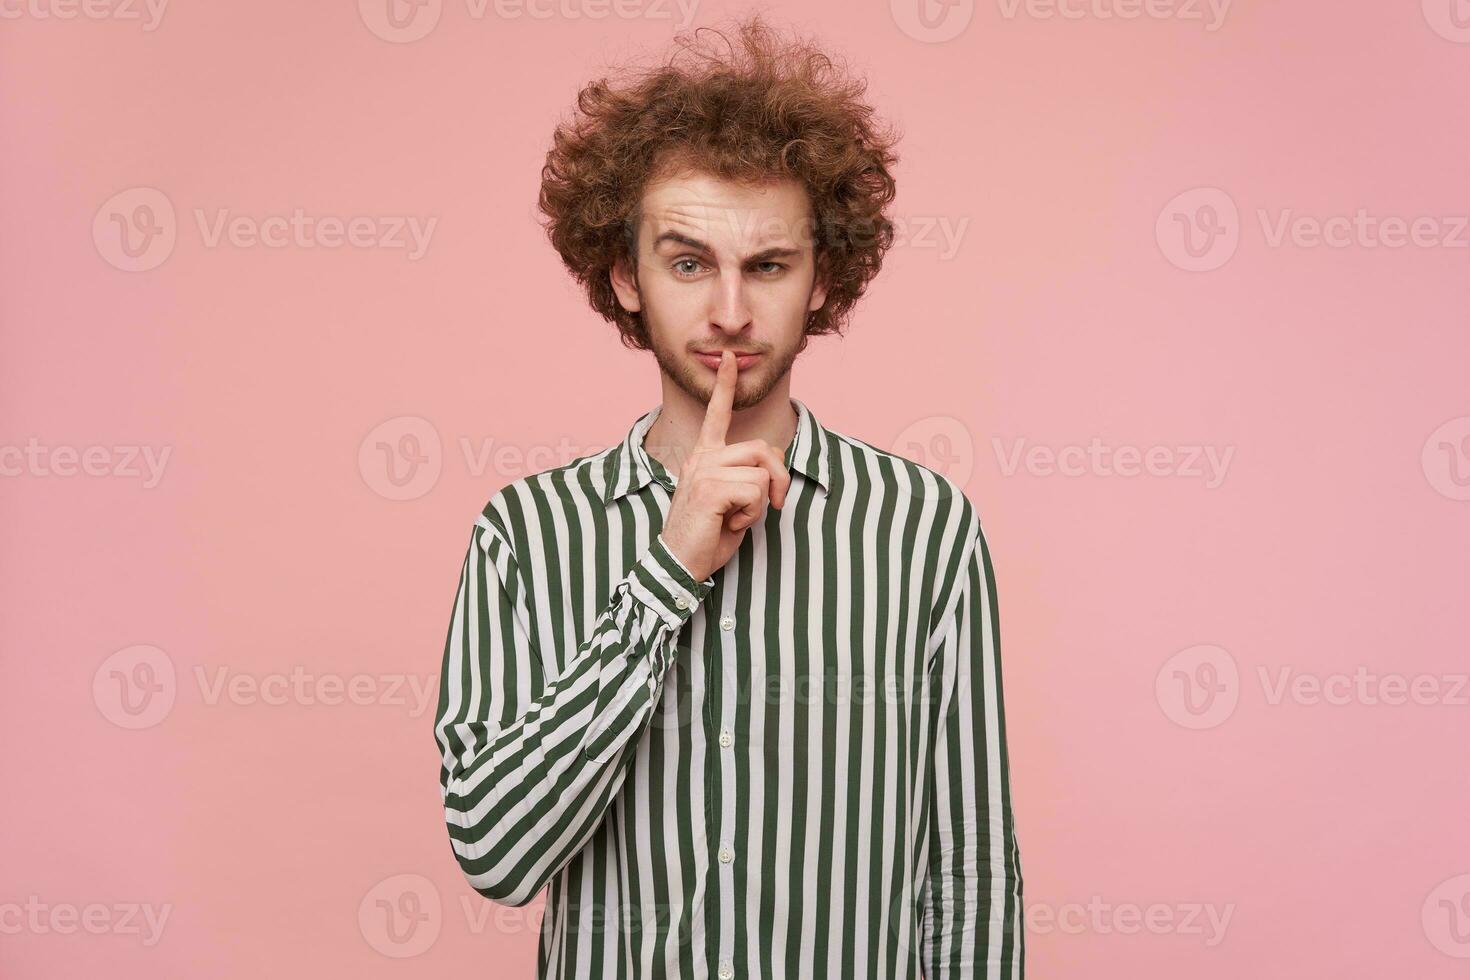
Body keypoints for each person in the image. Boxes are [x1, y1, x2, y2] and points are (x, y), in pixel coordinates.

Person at [432, 14, 1023, 979]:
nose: (732, 313)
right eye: (689, 261)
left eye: (770, 265)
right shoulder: (526, 535)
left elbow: (967, 874)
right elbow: (496, 855)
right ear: (625, 274)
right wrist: (667, 573)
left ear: (821, 276)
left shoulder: (924, 531)